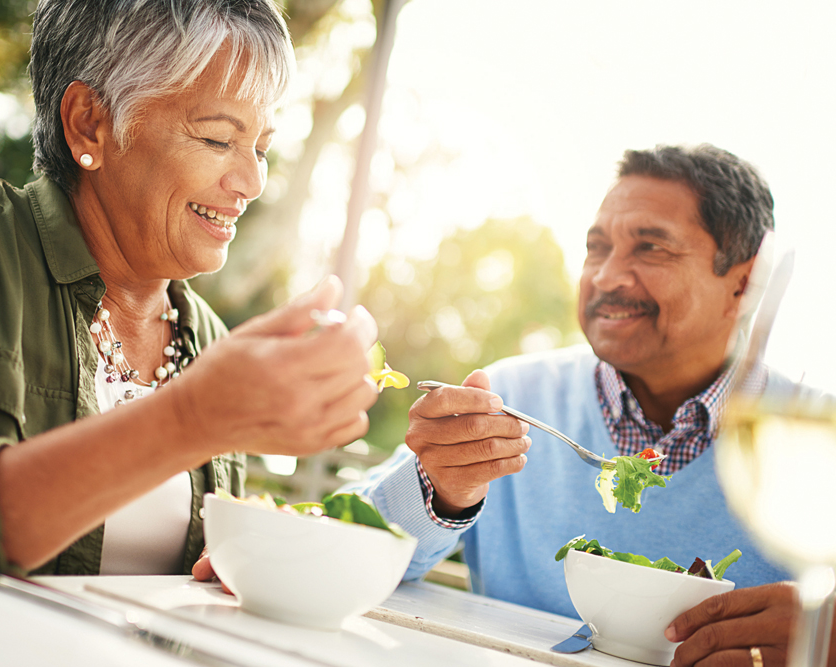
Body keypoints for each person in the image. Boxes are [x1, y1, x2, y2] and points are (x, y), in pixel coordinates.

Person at [0, 0, 379, 581]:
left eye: (262, 147)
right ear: (88, 123)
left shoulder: (209, 340)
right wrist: (188, 419)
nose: (250, 182)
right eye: (219, 139)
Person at [348, 145, 835, 667]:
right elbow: (344, 547)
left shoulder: (809, 437)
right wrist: (442, 493)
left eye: (651, 248)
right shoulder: (510, 400)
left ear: (744, 281)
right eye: (596, 247)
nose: (606, 277)